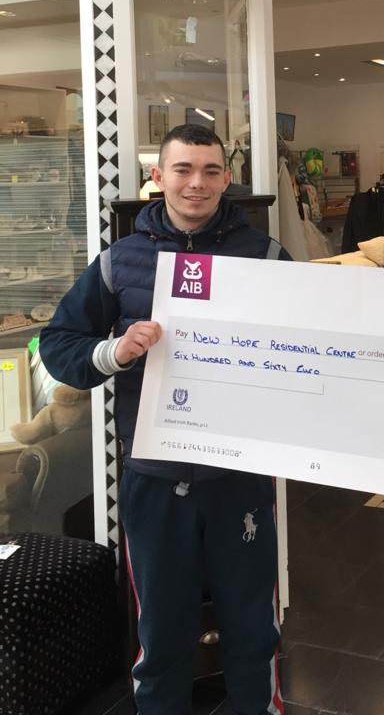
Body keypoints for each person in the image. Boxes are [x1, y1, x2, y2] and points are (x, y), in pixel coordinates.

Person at [39, 124, 290, 715]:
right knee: (161, 631)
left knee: (253, 626)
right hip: (154, 478)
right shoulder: (118, 262)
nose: (196, 183)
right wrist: (116, 351)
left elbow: (323, 337)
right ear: (158, 177)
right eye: (182, 169)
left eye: (210, 170)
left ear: (226, 179)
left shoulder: (266, 256)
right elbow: (58, 345)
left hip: (240, 477)